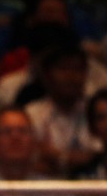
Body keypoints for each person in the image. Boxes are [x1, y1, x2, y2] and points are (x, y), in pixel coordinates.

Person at [22, 41, 102, 177]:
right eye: (63, 69)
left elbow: (98, 157)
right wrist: (73, 160)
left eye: (78, 69)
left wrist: (57, 157)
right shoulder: (31, 113)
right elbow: (31, 161)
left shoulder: (96, 111)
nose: (71, 76)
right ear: (47, 75)